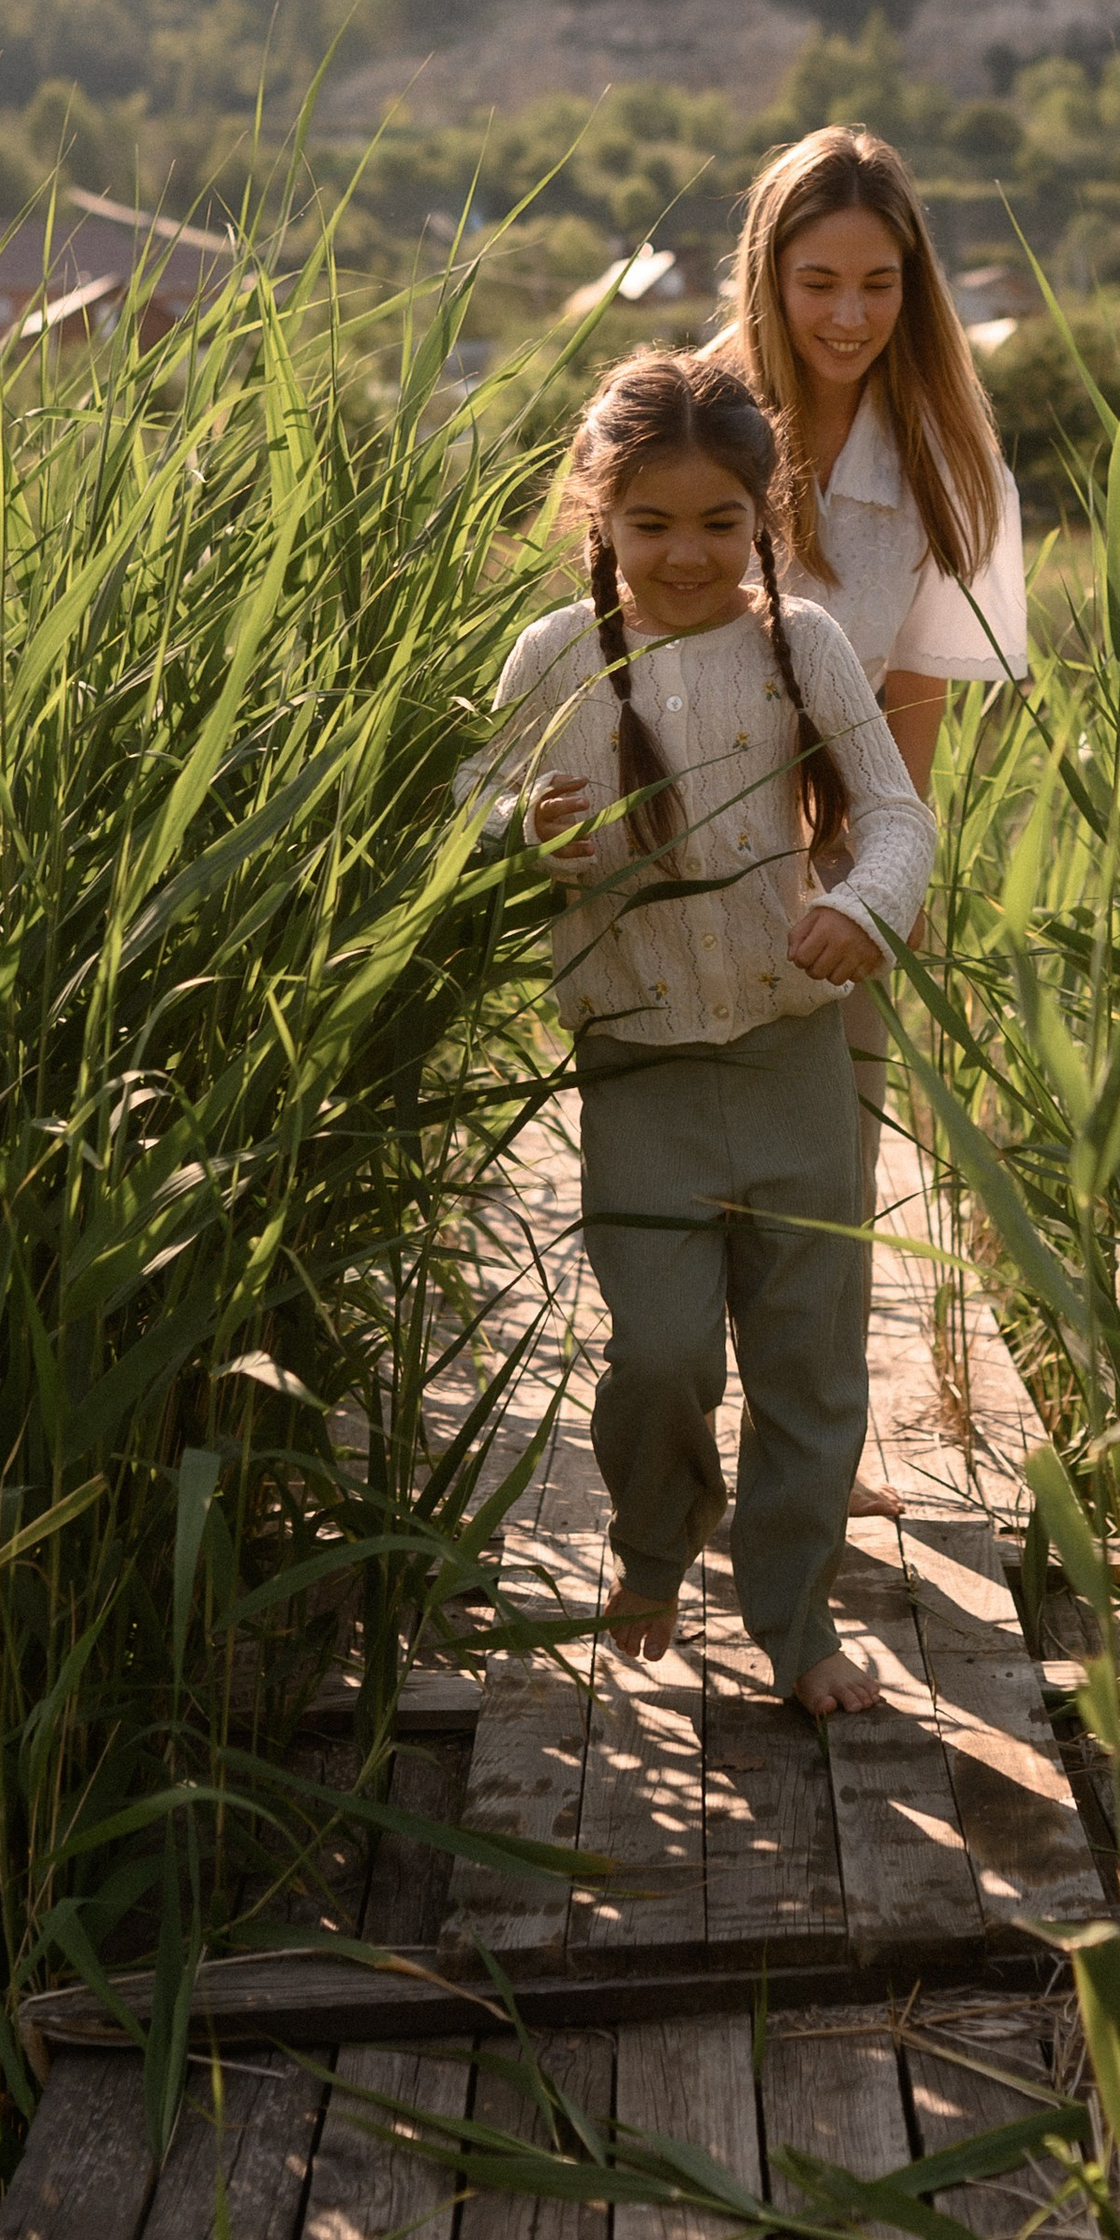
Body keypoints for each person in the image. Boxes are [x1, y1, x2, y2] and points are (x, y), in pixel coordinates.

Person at [464, 347, 935, 1721]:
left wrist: (866, 904)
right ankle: (657, 1542)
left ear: (763, 515)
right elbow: (470, 813)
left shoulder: (804, 642)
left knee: (809, 1358)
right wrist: (522, 837)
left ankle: (795, 1625)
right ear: (598, 516)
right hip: (642, 1061)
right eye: (651, 522)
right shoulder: (555, 657)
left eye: (720, 522)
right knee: (660, 1351)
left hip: (793, 1051)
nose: (687, 552)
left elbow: (897, 812)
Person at [715, 122, 1029, 1261]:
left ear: (915, 285)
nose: (848, 315)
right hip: (683, 855)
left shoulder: (950, 458)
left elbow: (915, 699)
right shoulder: (704, 425)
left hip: (838, 870)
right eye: (818, 283)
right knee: (692, 1206)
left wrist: (883, 887)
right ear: (768, 276)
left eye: (876, 284)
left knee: (824, 1206)